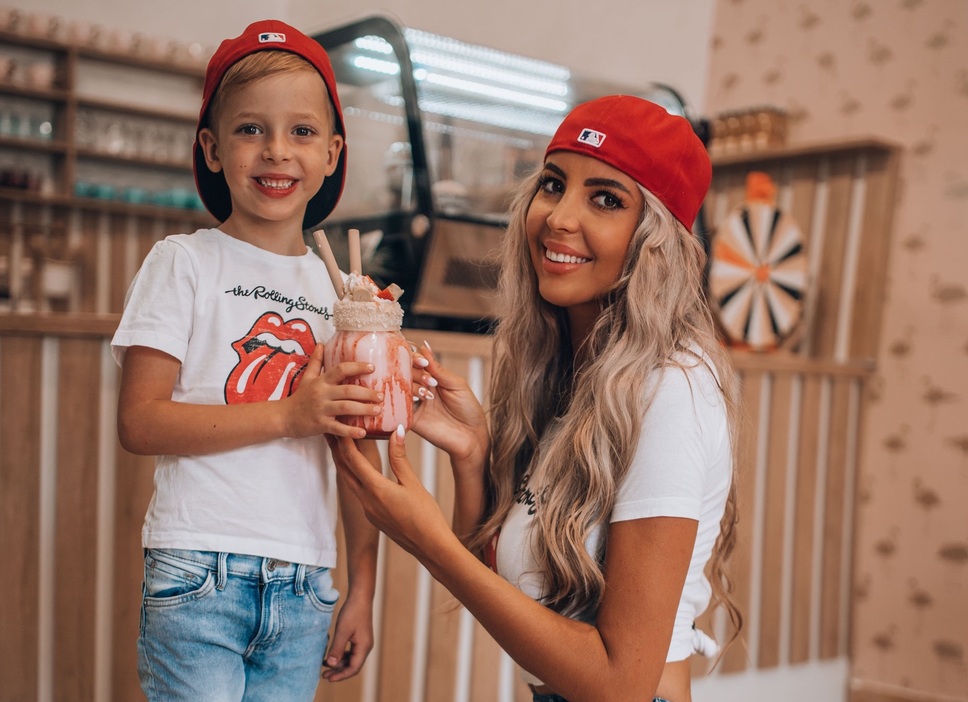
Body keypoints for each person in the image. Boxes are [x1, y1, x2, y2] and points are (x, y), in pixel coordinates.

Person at [331, 95, 743, 702]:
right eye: (553, 185)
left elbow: (621, 683)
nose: (559, 218)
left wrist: (428, 541)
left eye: (606, 199)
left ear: (654, 240)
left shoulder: (671, 387)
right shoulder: (571, 372)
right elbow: (502, 584)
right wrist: (472, 453)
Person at [112, 20, 382, 701]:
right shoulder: (183, 262)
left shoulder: (344, 294)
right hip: (197, 571)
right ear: (211, 147)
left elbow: (357, 458)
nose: (276, 151)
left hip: (306, 584)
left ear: (332, 153)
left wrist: (362, 588)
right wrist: (290, 416)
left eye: (302, 131)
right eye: (250, 129)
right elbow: (139, 422)